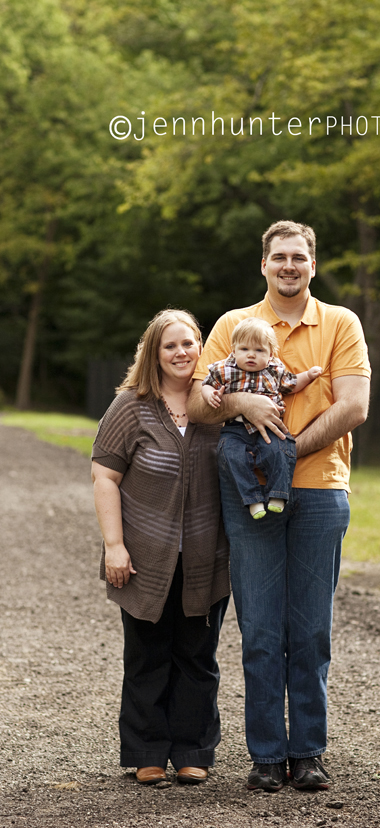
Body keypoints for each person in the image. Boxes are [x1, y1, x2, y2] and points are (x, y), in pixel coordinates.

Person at [188, 221, 370, 792]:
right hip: (247, 494)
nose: (289, 266)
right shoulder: (233, 325)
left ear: (313, 265)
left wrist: (286, 451)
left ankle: (308, 752)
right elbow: (197, 401)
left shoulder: (341, 323)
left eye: (298, 257)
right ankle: (266, 756)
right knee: (262, 631)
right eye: (279, 257)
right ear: (263, 264)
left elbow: (354, 406)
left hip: (320, 489)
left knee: (311, 632)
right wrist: (241, 402)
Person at [91, 309, 230, 786]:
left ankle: (193, 750)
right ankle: (147, 751)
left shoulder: (218, 404)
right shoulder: (130, 406)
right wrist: (114, 545)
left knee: (198, 656)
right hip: (143, 558)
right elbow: (104, 477)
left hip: (207, 557)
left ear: (201, 348)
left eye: (188, 343)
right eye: (170, 345)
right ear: (154, 353)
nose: (180, 352)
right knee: (147, 656)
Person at [201, 316, 322, 519]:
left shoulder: (274, 370)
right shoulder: (224, 369)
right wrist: (209, 395)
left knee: (280, 451)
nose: (251, 355)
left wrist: (308, 375)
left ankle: (278, 494)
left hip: (269, 426)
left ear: (271, 354)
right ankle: (252, 499)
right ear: (233, 350)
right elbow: (206, 384)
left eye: (259, 350)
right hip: (236, 428)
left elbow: (292, 384)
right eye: (244, 349)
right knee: (230, 455)